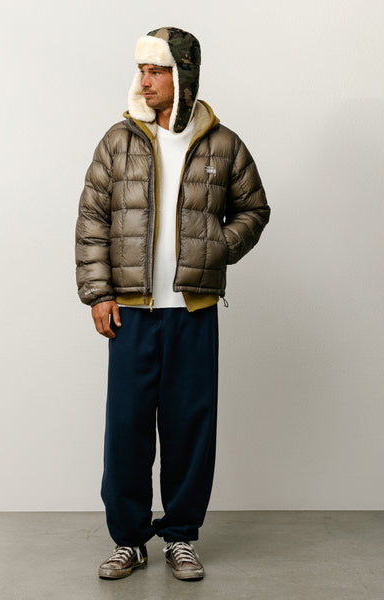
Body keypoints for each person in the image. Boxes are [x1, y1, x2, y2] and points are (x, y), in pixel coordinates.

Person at [75, 26, 270, 581]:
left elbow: (254, 210)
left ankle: (181, 536)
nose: (145, 80)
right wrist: (99, 293)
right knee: (127, 429)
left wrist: (217, 248)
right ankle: (130, 540)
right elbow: (92, 220)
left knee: (189, 427)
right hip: (130, 312)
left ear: (183, 75)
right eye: (141, 70)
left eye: (156, 70)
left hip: (192, 311)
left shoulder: (222, 143)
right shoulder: (118, 141)